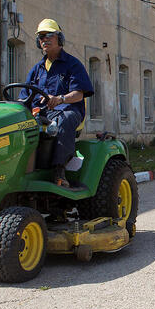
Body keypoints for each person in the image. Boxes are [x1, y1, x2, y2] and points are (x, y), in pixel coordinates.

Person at [19, 19, 94, 188]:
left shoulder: (73, 65)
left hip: (68, 110)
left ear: (59, 39)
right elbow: (23, 97)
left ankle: (59, 170)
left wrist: (60, 99)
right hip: (42, 112)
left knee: (61, 122)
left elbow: (79, 94)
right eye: (41, 37)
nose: (44, 39)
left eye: (49, 35)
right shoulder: (36, 69)